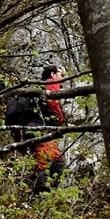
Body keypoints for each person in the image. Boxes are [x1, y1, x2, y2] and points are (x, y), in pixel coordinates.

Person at [30, 65, 67, 193]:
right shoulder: (51, 83)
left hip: (31, 128)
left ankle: (49, 191)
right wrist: (61, 120)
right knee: (46, 159)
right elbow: (53, 102)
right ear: (53, 75)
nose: (62, 79)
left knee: (57, 159)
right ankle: (41, 192)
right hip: (39, 127)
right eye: (61, 75)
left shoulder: (38, 88)